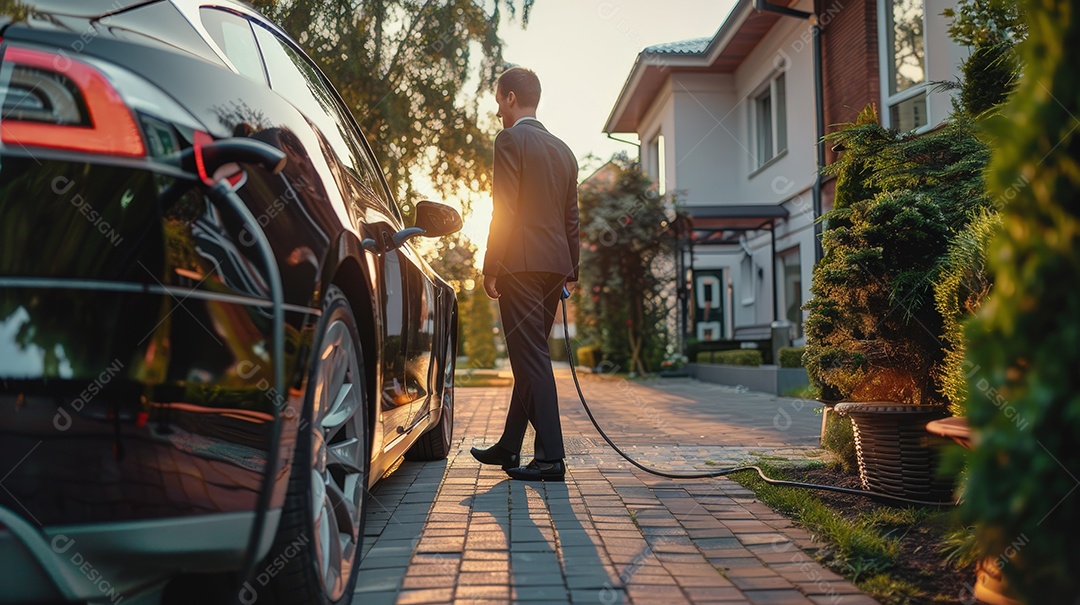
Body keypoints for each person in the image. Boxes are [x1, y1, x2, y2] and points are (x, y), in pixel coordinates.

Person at [470, 67, 579, 482]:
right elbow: (571, 216)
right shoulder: (563, 150)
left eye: (499, 100)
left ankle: (551, 458)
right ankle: (509, 446)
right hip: (554, 268)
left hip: (520, 265)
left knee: (530, 356)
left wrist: (490, 264)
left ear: (511, 97)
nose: (498, 109)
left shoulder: (510, 139)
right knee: (531, 354)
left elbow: (505, 208)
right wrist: (572, 269)